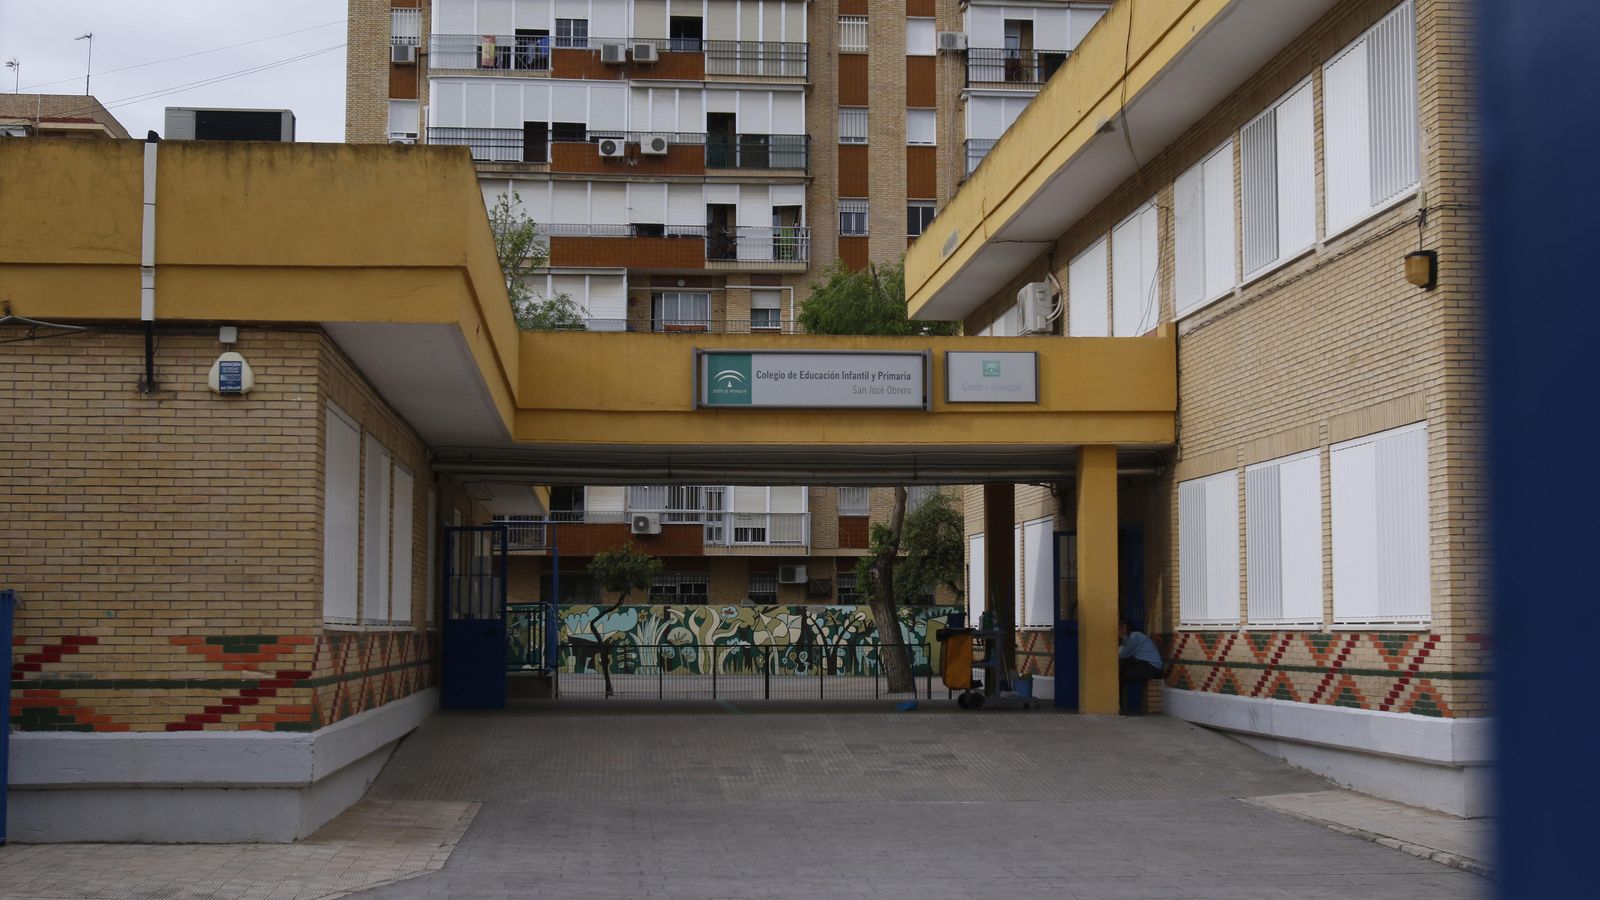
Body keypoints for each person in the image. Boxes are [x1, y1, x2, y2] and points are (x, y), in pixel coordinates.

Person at [1118, 618, 1165, 684]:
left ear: (1127, 627)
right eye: (1120, 627)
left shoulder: (1136, 636)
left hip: (1154, 667)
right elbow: (1124, 649)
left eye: (1122, 627)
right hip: (1146, 664)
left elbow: (1123, 654)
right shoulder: (1129, 638)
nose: (1120, 629)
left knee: (1124, 673)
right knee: (1124, 666)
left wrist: (1121, 636)